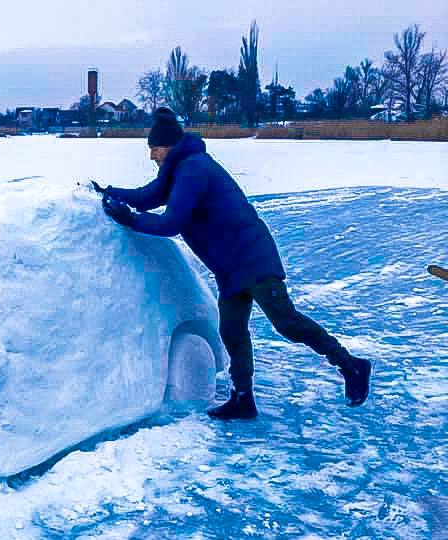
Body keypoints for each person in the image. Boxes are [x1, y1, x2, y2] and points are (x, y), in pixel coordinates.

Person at [93, 107, 371, 420]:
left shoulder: (194, 169)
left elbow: (172, 223)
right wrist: (108, 193)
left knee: (286, 321)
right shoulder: (177, 171)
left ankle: (351, 365)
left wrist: (129, 220)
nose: (151, 156)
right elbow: (147, 196)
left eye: (154, 149)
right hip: (229, 266)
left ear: (168, 147)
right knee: (233, 331)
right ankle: (243, 399)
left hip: (251, 256)